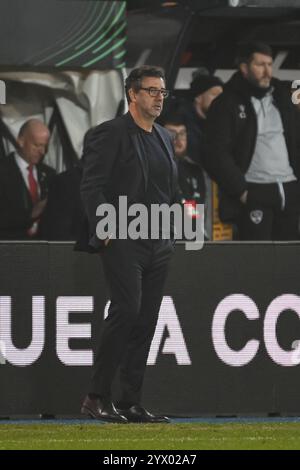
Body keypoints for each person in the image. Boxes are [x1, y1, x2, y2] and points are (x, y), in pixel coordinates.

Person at [76, 65, 178, 423]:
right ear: (132, 94)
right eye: (151, 90)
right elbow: (91, 184)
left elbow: (170, 191)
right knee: (127, 310)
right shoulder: (111, 133)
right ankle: (96, 396)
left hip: (158, 241)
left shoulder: (164, 138)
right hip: (122, 236)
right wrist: (103, 225)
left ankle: (131, 401)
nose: (158, 97)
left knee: (147, 320)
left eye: (163, 92)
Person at [204, 42, 300, 240]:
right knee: (258, 260)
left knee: (290, 260)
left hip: (289, 188)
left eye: (269, 64)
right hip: (255, 189)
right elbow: (215, 152)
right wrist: (241, 190)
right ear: (244, 67)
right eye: (260, 65)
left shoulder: (282, 96)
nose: (267, 71)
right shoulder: (227, 103)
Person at [0, 119, 55, 240]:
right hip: (10, 248)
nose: (42, 151)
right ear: (21, 140)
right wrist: (31, 213)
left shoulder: (50, 174)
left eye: (45, 146)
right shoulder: (3, 171)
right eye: (36, 145)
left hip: (44, 249)